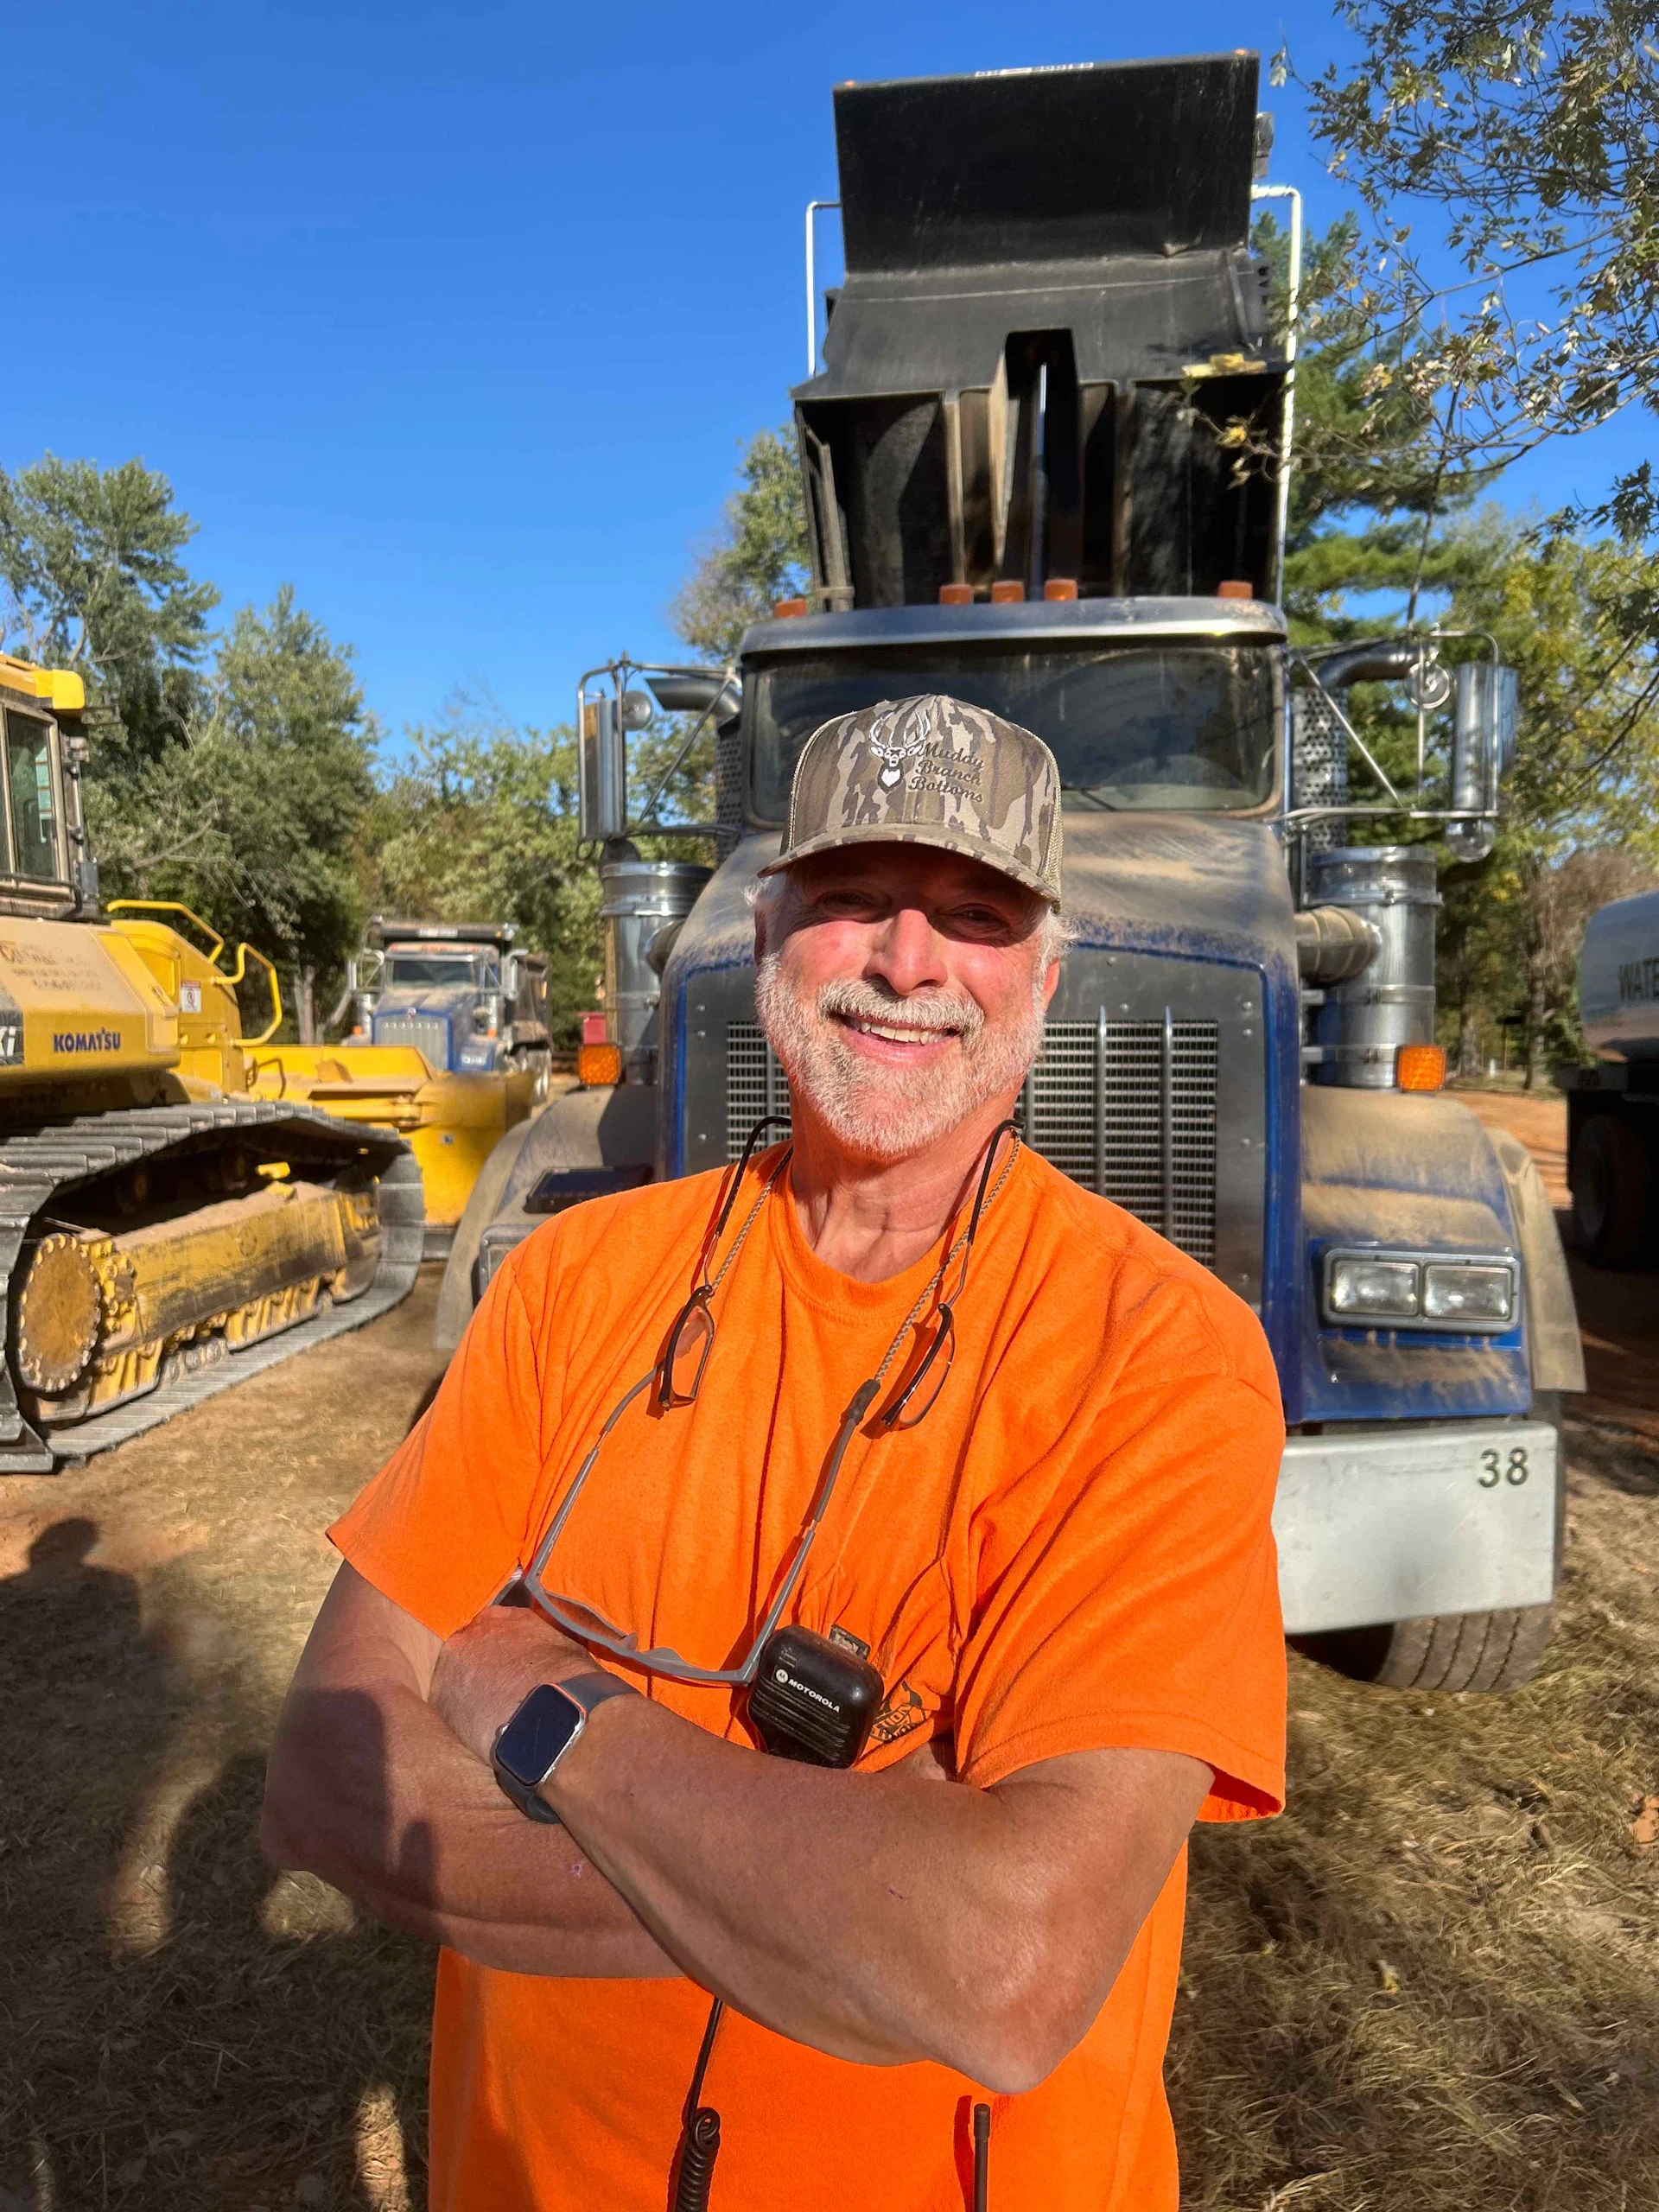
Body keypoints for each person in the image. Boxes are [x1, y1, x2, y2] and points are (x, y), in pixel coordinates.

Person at [262, 694, 1287, 2211]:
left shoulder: (1161, 1353)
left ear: (1046, 978)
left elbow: (1002, 1969)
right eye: (855, 897)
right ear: (765, 934)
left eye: (975, 912)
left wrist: (524, 1695)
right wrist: (866, 1886)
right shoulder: (568, 1288)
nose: (908, 958)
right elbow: (331, 1781)